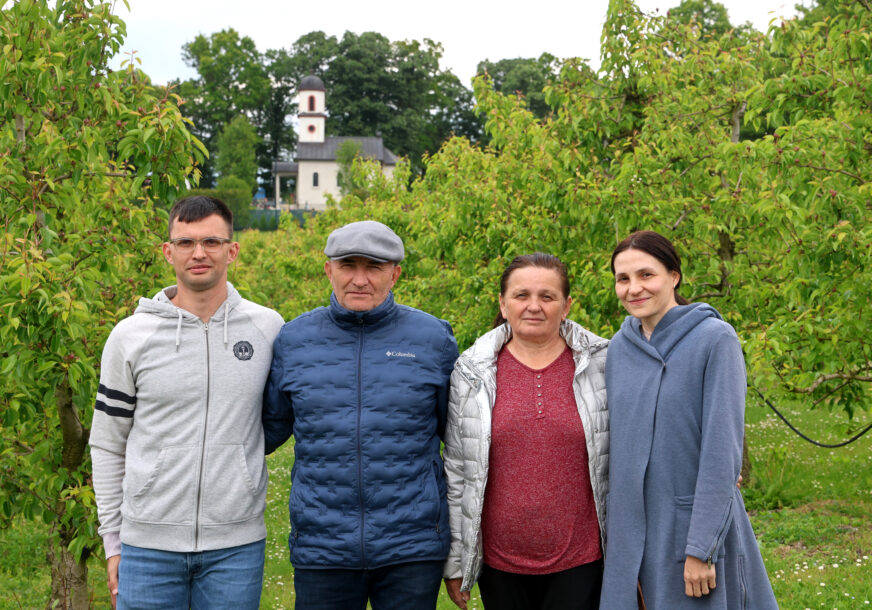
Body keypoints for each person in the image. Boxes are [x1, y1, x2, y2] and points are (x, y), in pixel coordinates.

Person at [89, 195, 284, 609]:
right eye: (185, 243)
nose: (199, 253)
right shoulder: (130, 337)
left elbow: (279, 416)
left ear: (232, 250)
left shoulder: (268, 329)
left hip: (236, 546)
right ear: (168, 252)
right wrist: (113, 541)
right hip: (146, 546)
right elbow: (107, 443)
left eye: (212, 242)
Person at [263, 220, 459, 610]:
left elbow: (454, 437)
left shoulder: (432, 338)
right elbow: (268, 430)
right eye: (348, 266)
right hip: (323, 546)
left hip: (411, 545)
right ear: (328, 270)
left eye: (373, 267)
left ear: (395, 274)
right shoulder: (294, 340)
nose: (359, 279)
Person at [599, 230, 778, 609]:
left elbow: (721, 451)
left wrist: (702, 548)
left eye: (647, 275)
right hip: (631, 537)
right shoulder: (618, 349)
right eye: (623, 278)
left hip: (691, 532)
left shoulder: (714, 339)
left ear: (674, 276)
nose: (634, 288)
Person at [443, 253, 609, 610]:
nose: (534, 306)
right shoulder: (471, 374)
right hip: (500, 563)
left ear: (566, 306)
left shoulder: (602, 367)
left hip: (581, 558)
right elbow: (457, 471)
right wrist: (457, 562)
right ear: (503, 304)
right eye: (521, 296)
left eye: (547, 297)